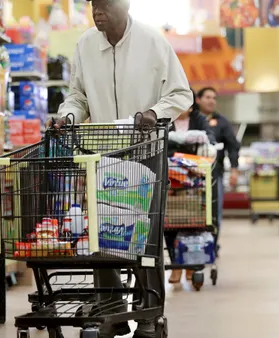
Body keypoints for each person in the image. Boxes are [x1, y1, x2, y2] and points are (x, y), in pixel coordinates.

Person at [53, 0, 192, 336]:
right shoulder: (86, 43)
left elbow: (181, 93)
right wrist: (67, 115)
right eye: (93, 6)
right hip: (104, 155)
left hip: (146, 152)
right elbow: (78, 95)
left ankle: (147, 312)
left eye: (104, 6)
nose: (97, 12)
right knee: (103, 233)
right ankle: (111, 308)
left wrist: (153, 113)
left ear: (124, 6)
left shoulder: (152, 41)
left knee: (145, 234)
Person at [166, 88, 216, 284]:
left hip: (195, 182)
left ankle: (191, 265)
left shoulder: (200, 120)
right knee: (169, 225)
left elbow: (210, 139)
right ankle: (176, 266)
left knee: (194, 224)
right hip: (171, 181)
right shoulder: (166, 122)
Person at [196, 87, 240, 255]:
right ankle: (193, 243)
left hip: (216, 174)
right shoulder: (193, 120)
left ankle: (212, 245)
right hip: (191, 175)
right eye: (208, 97)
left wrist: (234, 170)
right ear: (198, 100)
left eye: (214, 97)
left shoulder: (222, 122)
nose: (212, 100)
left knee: (215, 212)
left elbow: (233, 146)